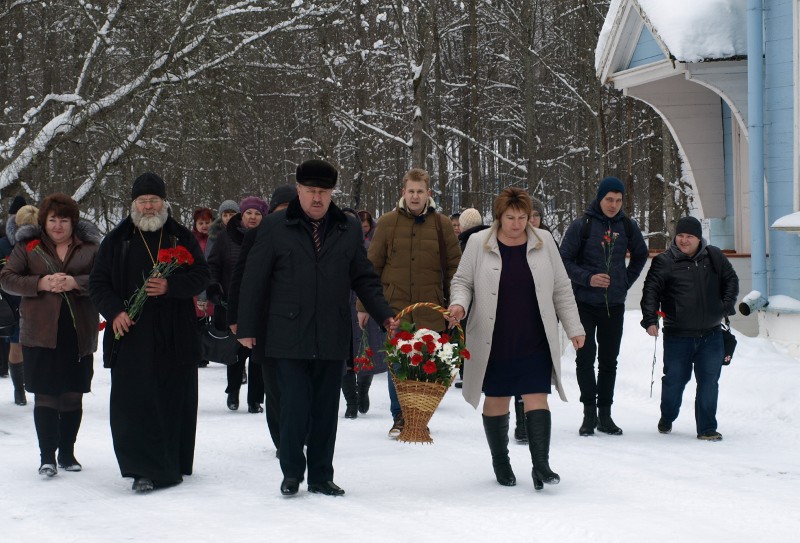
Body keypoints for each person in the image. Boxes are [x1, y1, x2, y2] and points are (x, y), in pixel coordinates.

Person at [237, 159, 397, 497]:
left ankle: (322, 475)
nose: (317, 198)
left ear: (332, 193)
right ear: (298, 190)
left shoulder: (348, 228)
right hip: (286, 332)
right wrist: (246, 326)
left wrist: (384, 314)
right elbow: (254, 280)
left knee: (326, 409)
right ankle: (292, 472)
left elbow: (364, 277)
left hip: (330, 331)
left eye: (323, 192)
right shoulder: (275, 226)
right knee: (294, 406)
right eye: (311, 191)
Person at [447, 187, 585, 490]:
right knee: (497, 399)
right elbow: (462, 282)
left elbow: (561, 287)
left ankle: (541, 465)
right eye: (510, 217)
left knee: (537, 395)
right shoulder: (477, 243)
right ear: (498, 216)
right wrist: (459, 304)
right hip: (493, 336)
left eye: (523, 217)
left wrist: (575, 328)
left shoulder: (544, 241)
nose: (517, 223)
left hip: (534, 334)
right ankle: (501, 461)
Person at [89, 172, 210, 492]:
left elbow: (202, 275)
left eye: (153, 200)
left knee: (173, 399)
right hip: (132, 335)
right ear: (133, 205)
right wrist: (114, 311)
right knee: (135, 402)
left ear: (164, 203)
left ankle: (173, 462)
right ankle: (142, 469)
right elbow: (98, 283)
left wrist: (171, 286)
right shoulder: (117, 240)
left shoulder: (179, 236)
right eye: (142, 201)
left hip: (174, 334)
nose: (147, 206)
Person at [0, 194, 101, 477]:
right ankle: (47, 457)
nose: (58, 226)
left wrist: (75, 282)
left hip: (77, 331)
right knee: (46, 394)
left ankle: (67, 453)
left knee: (72, 393)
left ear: (73, 222)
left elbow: (105, 279)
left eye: (64, 220)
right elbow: (7, 279)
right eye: (52, 219)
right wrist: (41, 282)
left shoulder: (90, 248)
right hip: (40, 332)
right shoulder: (27, 246)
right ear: (43, 221)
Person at [357, 167, 461, 437]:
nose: (415, 197)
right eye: (411, 191)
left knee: (425, 362)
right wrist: (363, 306)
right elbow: (372, 268)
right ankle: (400, 416)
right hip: (395, 307)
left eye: (420, 192)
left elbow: (454, 269)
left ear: (429, 194)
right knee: (398, 361)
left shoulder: (442, 225)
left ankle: (419, 414)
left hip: (430, 307)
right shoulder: (388, 223)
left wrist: (455, 304)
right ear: (403, 192)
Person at [559, 176, 648, 436]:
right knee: (585, 358)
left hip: (614, 305)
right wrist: (588, 278)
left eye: (619, 200)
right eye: (609, 199)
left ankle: (605, 415)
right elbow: (563, 260)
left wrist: (623, 282)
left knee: (609, 361)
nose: (614, 204)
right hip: (584, 303)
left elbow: (641, 255)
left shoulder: (627, 226)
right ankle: (588, 414)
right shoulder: (582, 225)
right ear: (600, 198)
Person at [640, 216, 739, 441]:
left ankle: (707, 428)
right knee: (675, 381)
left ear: (698, 238)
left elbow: (731, 280)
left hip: (711, 335)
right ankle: (668, 416)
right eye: (681, 235)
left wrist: (724, 306)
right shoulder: (664, 261)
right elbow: (651, 291)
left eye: (689, 236)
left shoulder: (713, 256)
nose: (684, 240)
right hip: (678, 336)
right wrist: (650, 319)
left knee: (709, 382)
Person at [226, 184, 297, 455]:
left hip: (299, 322)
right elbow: (240, 279)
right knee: (274, 385)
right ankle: (281, 439)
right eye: (278, 211)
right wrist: (236, 318)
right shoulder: (257, 236)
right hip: (266, 320)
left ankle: (298, 433)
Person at [207, 196, 268, 412]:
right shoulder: (226, 237)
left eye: (258, 213)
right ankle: (233, 391)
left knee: (258, 354)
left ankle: (255, 399)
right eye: (249, 213)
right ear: (242, 215)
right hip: (230, 301)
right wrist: (215, 288)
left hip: (261, 304)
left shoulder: (268, 237)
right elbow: (212, 265)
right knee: (235, 351)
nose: (253, 217)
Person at [340, 209, 384, 419]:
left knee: (365, 351)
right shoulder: (330, 249)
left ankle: (363, 389)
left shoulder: (369, 249)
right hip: (338, 311)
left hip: (361, 310)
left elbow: (373, 280)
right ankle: (350, 401)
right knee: (344, 356)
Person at [2, 203, 39, 405]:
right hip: (12, 303)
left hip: (38, 300)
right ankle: (19, 390)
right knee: (16, 346)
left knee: (36, 346)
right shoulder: (4, 245)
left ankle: (34, 384)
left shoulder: (44, 243)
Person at [192, 207, 214, 367]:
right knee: (198, 322)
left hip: (213, 284)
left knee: (212, 321)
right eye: (201, 223)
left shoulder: (216, 238)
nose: (204, 226)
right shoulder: (191, 239)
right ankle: (200, 354)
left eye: (207, 222)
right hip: (197, 285)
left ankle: (212, 350)